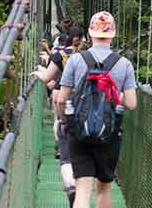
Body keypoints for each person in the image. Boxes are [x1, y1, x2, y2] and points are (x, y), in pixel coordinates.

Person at [57, 11, 137, 208]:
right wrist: (112, 92)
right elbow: (132, 104)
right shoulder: (124, 64)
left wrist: (65, 122)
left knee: (83, 189)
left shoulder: (76, 60)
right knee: (104, 189)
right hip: (109, 135)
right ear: (113, 34)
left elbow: (61, 99)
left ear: (90, 34)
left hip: (79, 132)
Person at [32, 25, 84, 207]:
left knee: (62, 131)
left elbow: (47, 78)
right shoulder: (89, 55)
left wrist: (38, 72)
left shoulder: (59, 54)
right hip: (86, 107)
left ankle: (70, 184)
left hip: (62, 96)